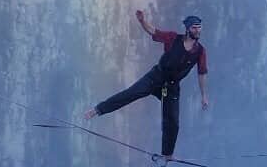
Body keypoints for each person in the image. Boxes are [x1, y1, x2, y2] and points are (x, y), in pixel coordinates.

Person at [84, 10, 209, 159]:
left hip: (171, 87)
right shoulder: (173, 38)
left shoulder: (200, 51)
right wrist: (142, 21)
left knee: (173, 122)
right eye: (195, 27)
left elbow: (202, 73)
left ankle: (167, 154)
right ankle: (98, 110)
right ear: (188, 28)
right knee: (130, 94)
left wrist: (203, 96)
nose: (198, 30)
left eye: (199, 27)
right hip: (156, 77)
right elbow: (153, 31)